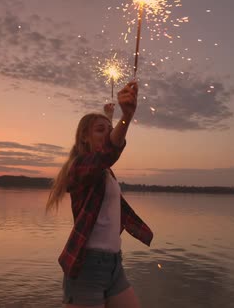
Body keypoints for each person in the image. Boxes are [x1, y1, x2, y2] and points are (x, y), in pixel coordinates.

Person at [46, 80, 153, 308]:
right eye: (99, 130)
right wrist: (127, 116)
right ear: (84, 137)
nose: (108, 134)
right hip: (88, 268)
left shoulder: (104, 172)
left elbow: (105, 149)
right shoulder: (81, 168)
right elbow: (108, 152)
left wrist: (109, 117)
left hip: (114, 265)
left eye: (109, 130)